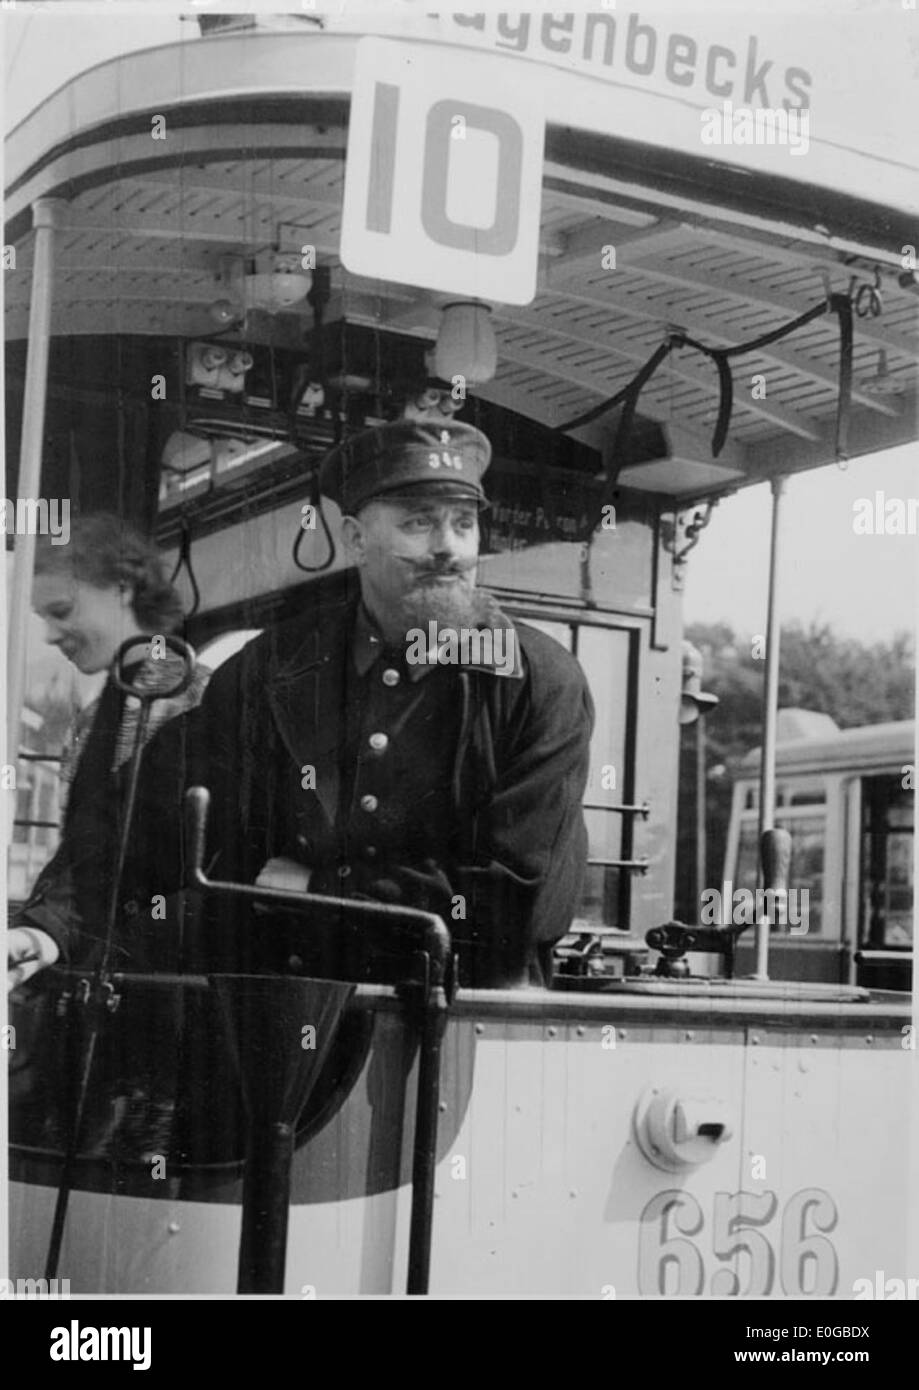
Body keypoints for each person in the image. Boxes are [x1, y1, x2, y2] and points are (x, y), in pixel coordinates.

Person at [124, 418, 595, 988]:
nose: (448, 547)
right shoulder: (272, 668)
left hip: (458, 1032)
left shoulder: (537, 680)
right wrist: (46, 927)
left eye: (464, 523)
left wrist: (318, 891)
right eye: (418, 522)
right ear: (354, 539)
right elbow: (149, 814)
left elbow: (517, 905)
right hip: (285, 1015)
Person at [7, 513, 210, 990]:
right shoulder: (90, 718)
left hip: (157, 974)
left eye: (61, 611)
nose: (51, 635)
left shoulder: (197, 700)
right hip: (95, 968)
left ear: (122, 588)